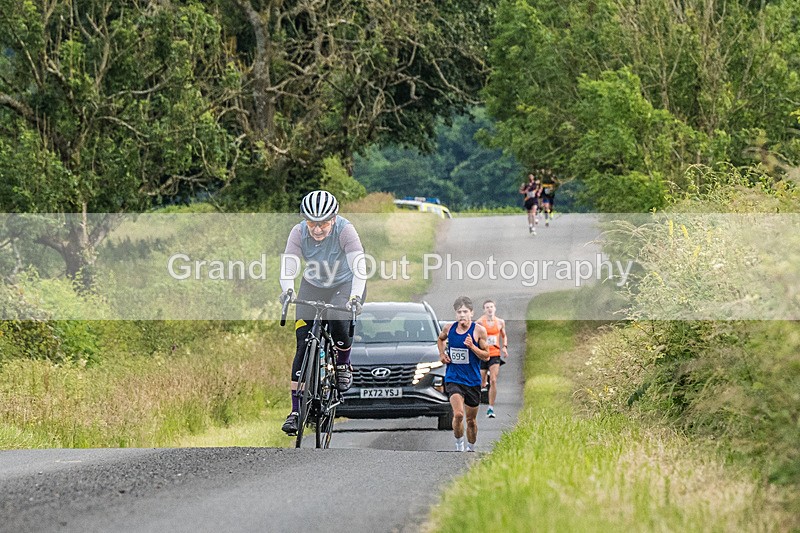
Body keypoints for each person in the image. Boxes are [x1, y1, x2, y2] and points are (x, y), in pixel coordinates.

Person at [279, 190, 367, 436]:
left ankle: (343, 363)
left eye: (323, 223)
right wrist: (287, 290)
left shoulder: (345, 231)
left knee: (338, 318)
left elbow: (359, 269)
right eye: (312, 223)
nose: (317, 229)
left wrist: (354, 298)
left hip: (344, 284)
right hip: (313, 284)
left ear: (334, 219)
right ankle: (296, 412)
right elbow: (288, 267)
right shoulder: (298, 232)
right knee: (303, 342)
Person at [437, 296, 490, 452]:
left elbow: (486, 355)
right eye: (459, 312)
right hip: (454, 378)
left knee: (471, 420)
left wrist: (472, 347)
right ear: (456, 314)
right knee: (459, 414)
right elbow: (440, 340)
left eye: (465, 311)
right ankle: (459, 444)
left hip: (472, 380)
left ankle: (470, 448)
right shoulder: (449, 328)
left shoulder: (479, 331)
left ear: (471, 313)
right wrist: (442, 354)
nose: (462, 315)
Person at [477, 300, 508, 418]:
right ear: (484, 310)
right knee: (481, 381)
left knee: (493, 380)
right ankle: (474, 402)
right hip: (483, 354)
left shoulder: (500, 322)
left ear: (495, 308)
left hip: (495, 354)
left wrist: (504, 347)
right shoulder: (480, 322)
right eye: (487, 307)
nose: (489, 309)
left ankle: (490, 408)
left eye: (491, 307)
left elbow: (504, 335)